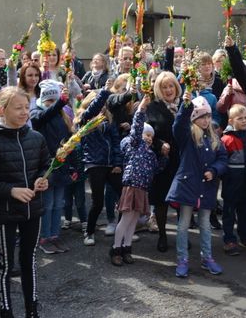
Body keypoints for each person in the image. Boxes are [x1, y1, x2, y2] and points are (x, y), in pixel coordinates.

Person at [0, 87, 50, 318]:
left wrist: (44, 179)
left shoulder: (36, 137)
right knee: (5, 265)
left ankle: (32, 310)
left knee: (29, 261)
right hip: (4, 213)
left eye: (27, 107)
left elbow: (47, 165)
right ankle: (6, 312)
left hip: (33, 211)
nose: (25, 112)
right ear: (1, 110)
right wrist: (11, 191)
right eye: (18, 108)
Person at [166, 94, 228, 278]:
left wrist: (215, 171)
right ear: (194, 118)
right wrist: (186, 105)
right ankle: (182, 259)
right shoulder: (188, 135)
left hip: (207, 188)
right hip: (188, 185)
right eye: (201, 116)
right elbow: (178, 125)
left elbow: (223, 159)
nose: (206, 120)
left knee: (205, 224)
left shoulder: (215, 137)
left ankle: (207, 257)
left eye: (208, 116)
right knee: (183, 225)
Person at [110, 95, 169, 266]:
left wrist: (164, 157)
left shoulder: (151, 154)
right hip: (131, 186)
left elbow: (157, 169)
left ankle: (127, 248)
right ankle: (116, 248)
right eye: (146, 134)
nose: (149, 138)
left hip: (143, 188)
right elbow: (136, 128)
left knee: (134, 220)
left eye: (151, 135)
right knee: (126, 219)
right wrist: (142, 109)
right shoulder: (134, 144)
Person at [76, 82, 122, 246]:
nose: (102, 108)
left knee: (122, 195)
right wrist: (103, 93)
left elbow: (116, 142)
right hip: (94, 164)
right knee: (97, 202)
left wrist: (117, 163)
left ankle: (122, 228)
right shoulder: (85, 120)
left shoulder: (108, 121)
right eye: (100, 104)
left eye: (104, 105)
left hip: (110, 164)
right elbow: (92, 111)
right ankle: (89, 232)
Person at [30, 81, 73, 254]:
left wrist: (72, 167)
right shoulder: (37, 113)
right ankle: (43, 236)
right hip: (46, 167)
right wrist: (60, 102)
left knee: (58, 204)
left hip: (61, 165)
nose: (52, 104)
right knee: (46, 204)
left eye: (54, 100)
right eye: (49, 101)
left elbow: (69, 141)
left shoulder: (62, 115)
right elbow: (42, 117)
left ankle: (55, 235)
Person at [146, 71, 182, 252]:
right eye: (164, 87)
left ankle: (182, 236)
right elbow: (149, 133)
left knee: (183, 200)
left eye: (171, 86)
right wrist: (159, 144)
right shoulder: (153, 107)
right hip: (163, 161)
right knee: (161, 200)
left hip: (183, 160)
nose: (168, 90)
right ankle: (162, 235)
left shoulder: (185, 104)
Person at [220, 104, 246, 255]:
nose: (243, 121)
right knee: (229, 213)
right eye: (239, 118)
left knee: (244, 213)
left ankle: (245, 236)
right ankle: (229, 239)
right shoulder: (226, 140)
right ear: (231, 121)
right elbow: (222, 162)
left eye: (245, 118)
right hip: (231, 185)